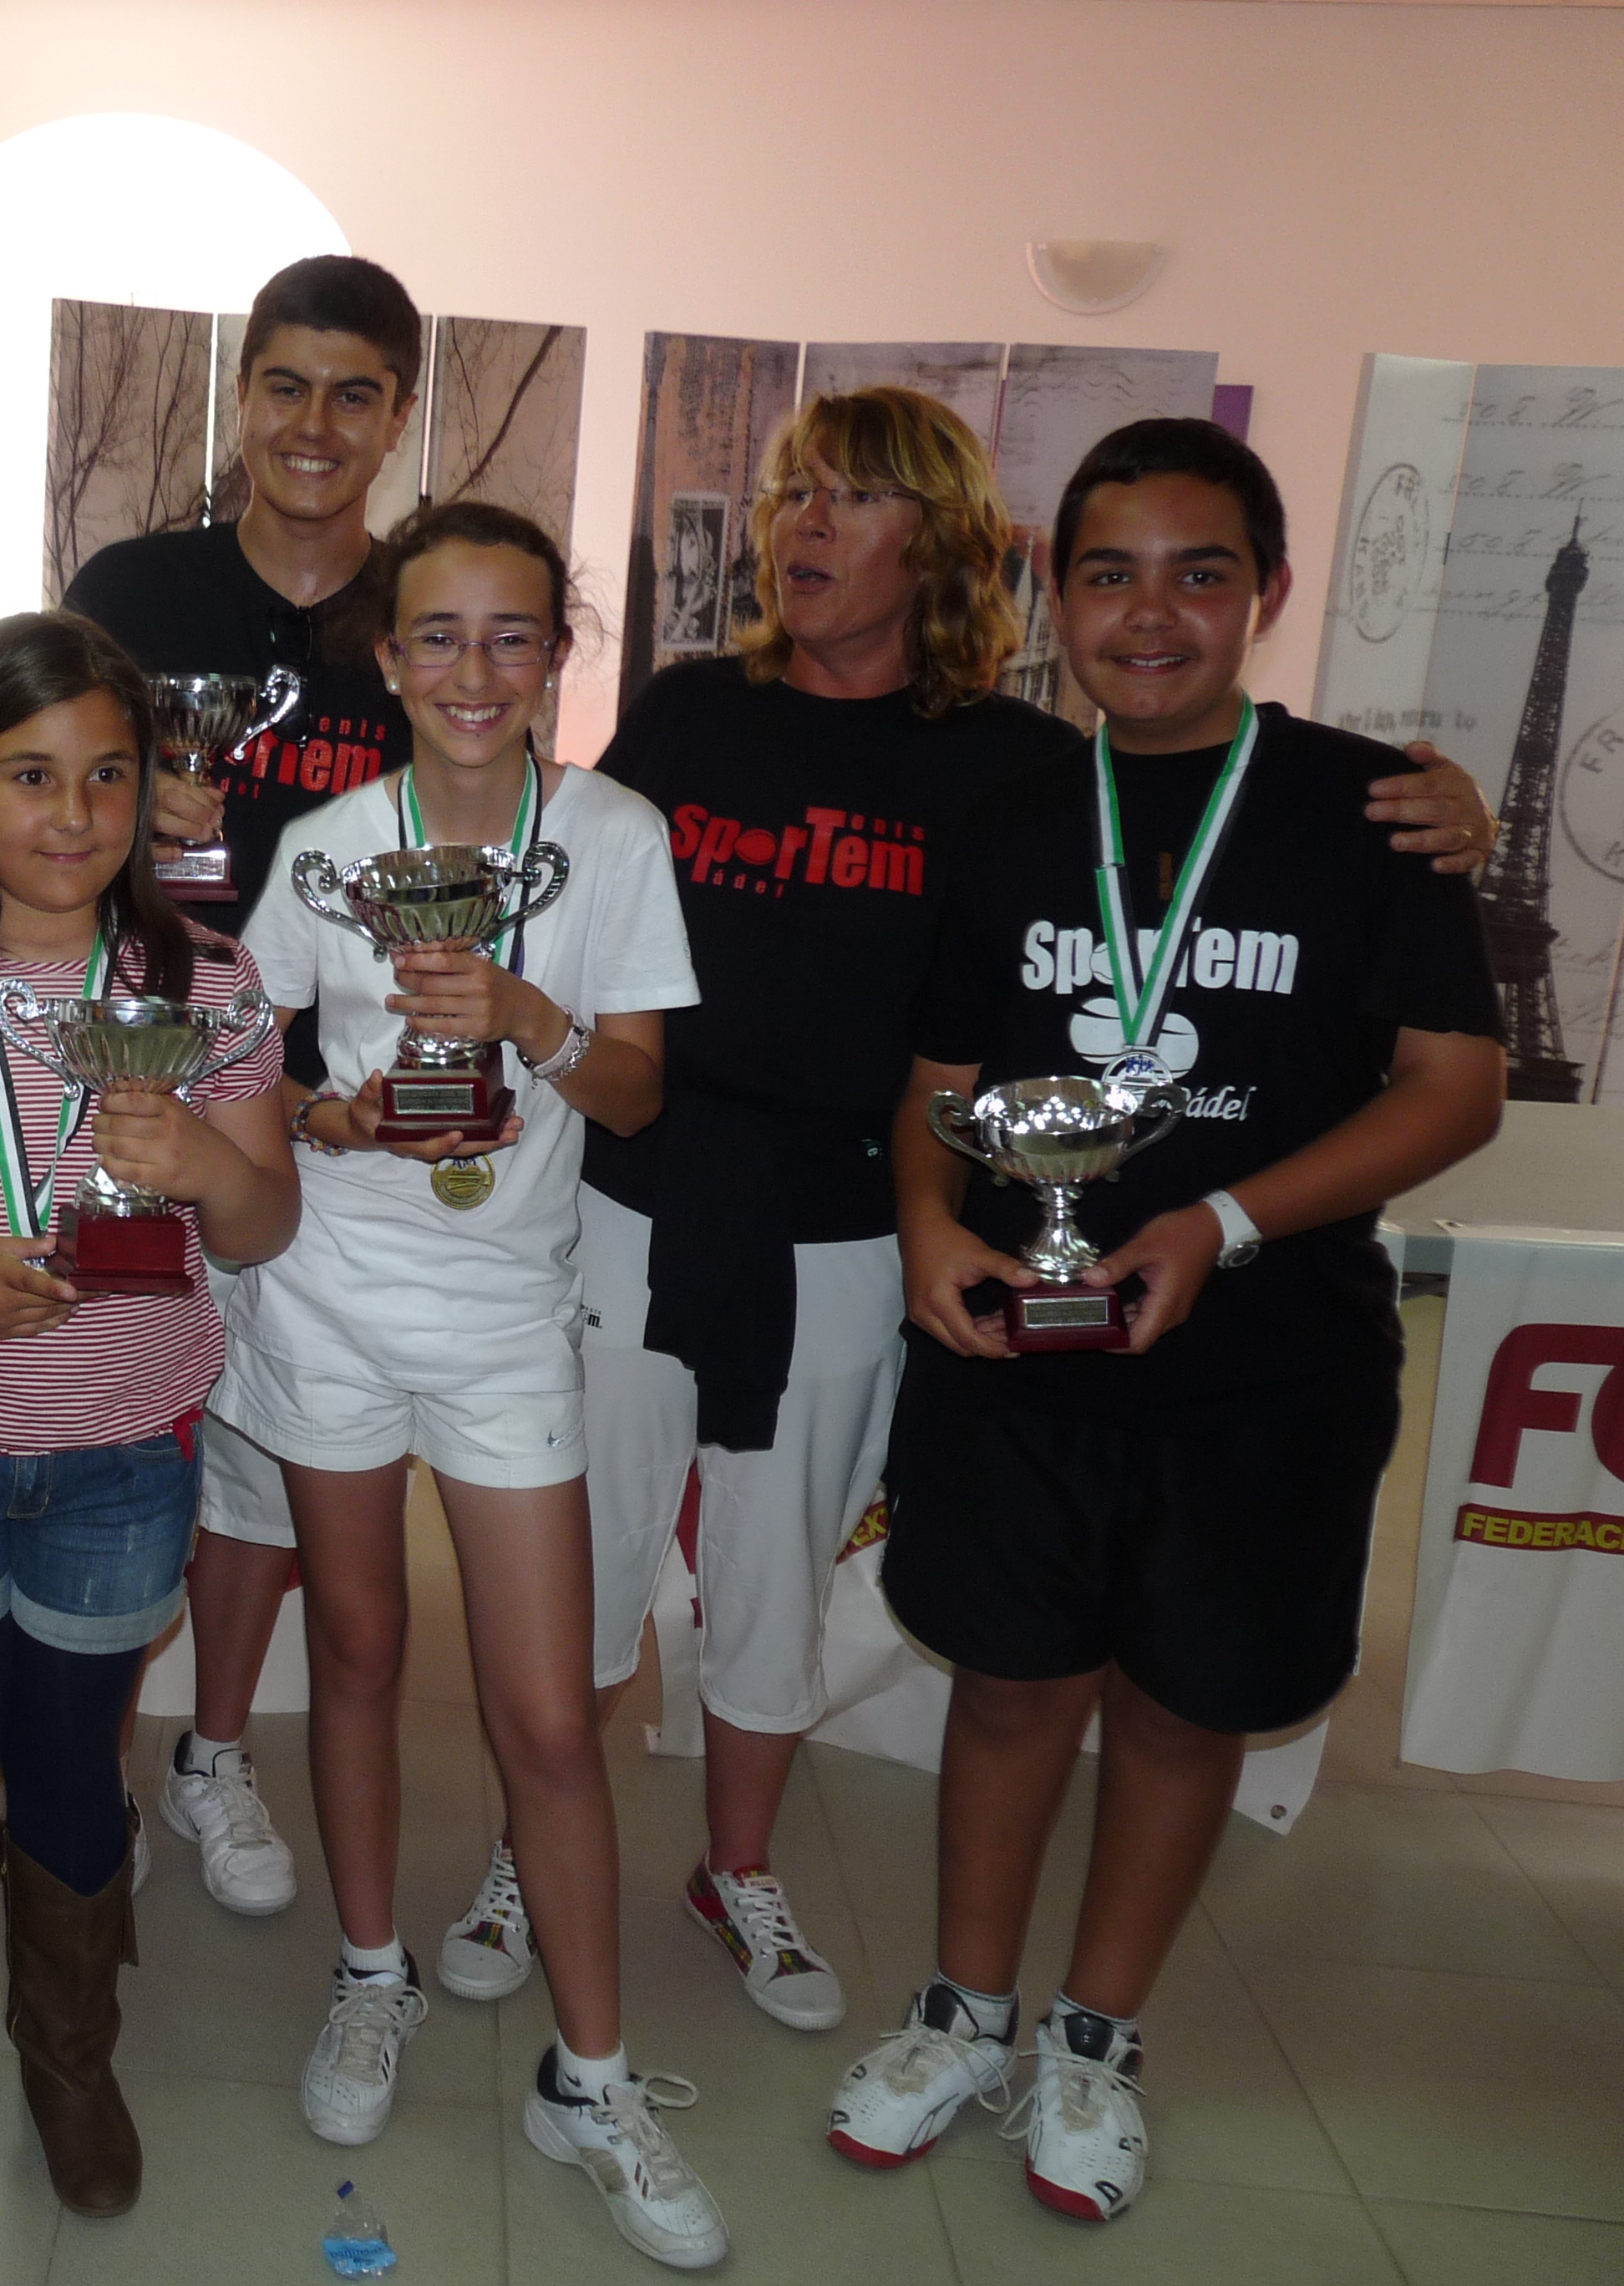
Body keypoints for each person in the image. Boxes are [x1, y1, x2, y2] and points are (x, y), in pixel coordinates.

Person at [450, 389, 1504, 2030]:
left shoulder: (1016, 772)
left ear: (941, 545)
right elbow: (558, 871)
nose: (805, 527)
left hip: (851, 1226)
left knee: (778, 1567)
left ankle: (740, 1868)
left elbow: (1181, 846)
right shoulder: (689, 713)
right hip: (644, 1192)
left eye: (854, 500)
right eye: (794, 495)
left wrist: (1450, 812)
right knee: (581, 1557)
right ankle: (537, 1846)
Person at [835, 419, 1502, 2222]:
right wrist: (925, 1225)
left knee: (1187, 1706)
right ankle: (965, 2009)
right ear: (1055, 598)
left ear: (1265, 592)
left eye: (1198, 575)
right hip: (1018, 1344)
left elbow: (1454, 1088)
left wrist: (1221, 1220)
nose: (1150, 616)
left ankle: (1095, 2036)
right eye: (1108, 575)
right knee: (1008, 1688)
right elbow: (942, 1084)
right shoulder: (1008, 816)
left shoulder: (1375, 810)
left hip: (1267, 1370)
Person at [229, 502, 726, 2269]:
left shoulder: (614, 835)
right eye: (438, 635)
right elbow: (248, 1061)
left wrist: (531, 1021)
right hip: (333, 1295)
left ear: (555, 657)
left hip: (513, 1307)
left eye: (513, 636)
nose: (474, 670)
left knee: (546, 1715)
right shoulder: (324, 845)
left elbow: (640, 1093)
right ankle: (374, 1976)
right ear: (387, 655)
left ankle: (593, 2080)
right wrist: (330, 1113)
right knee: (359, 1651)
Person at [0, 611, 294, 2279]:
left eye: (109, 775)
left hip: (116, 1463)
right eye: (32, 776)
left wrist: (203, 1165)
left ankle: (70, 2061)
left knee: (80, 1780)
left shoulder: (205, 981)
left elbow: (263, 1221)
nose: (76, 813)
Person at [63, 252, 423, 1922]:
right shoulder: (134, 587)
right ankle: (85, 1758)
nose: (314, 424)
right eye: (286, 384)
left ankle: (213, 1752)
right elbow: (37, 774)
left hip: (322, 1112)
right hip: (123, 1076)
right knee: (111, 1425)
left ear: (397, 417)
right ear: (242, 394)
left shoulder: (414, 613)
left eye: (355, 394)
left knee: (268, 1450)